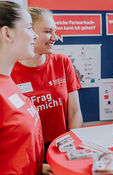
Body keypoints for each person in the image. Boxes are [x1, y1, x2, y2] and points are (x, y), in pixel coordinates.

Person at [10, 7, 83, 164]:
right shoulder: (9, 70)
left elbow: (74, 111)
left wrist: (74, 146)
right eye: (48, 31)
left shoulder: (62, 62)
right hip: (27, 151)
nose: (56, 37)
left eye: (55, 31)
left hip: (62, 146)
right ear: (30, 32)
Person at [0, 1, 45, 174]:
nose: (34, 36)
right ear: (7, 33)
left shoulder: (8, 82)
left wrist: (37, 167)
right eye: (28, 27)